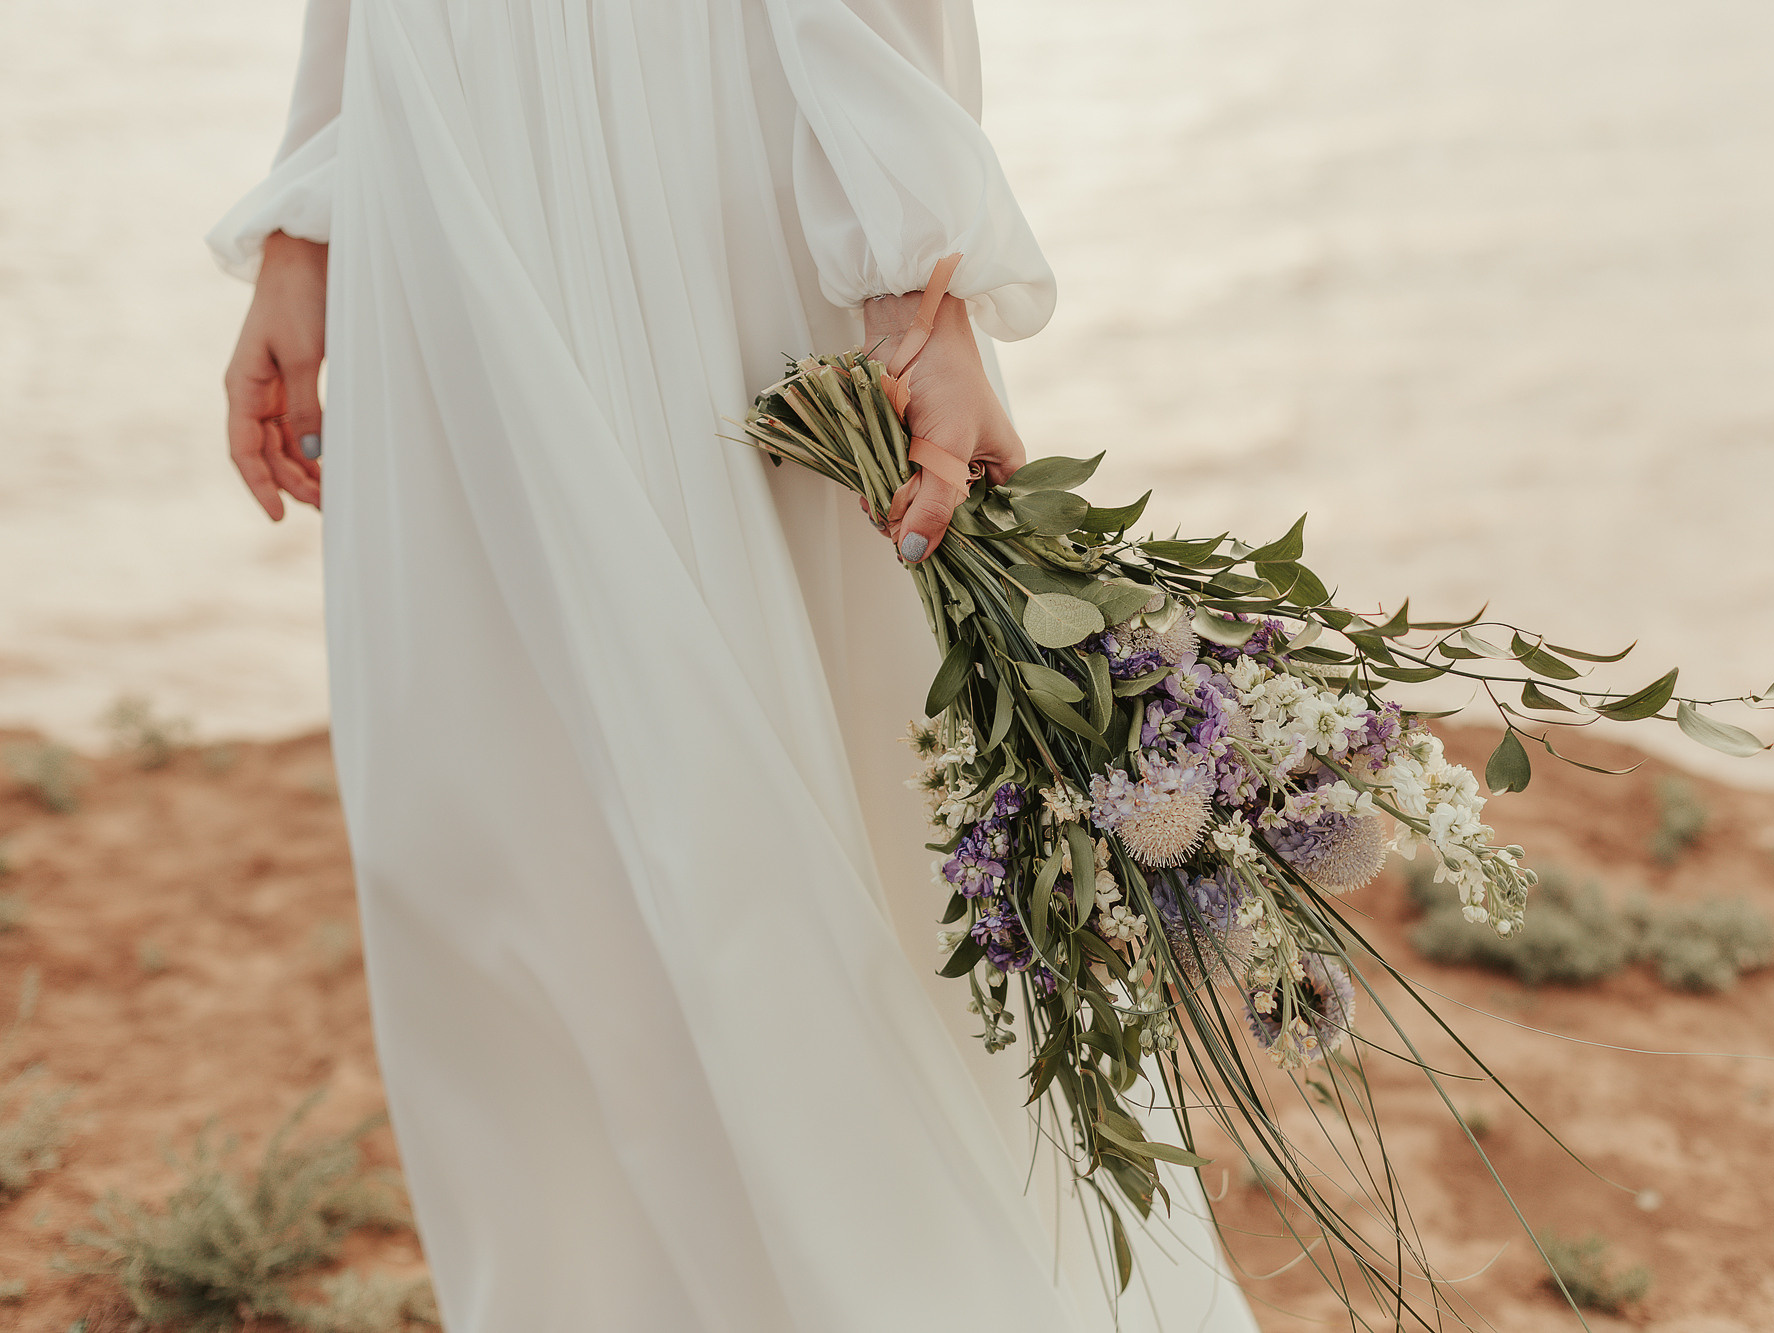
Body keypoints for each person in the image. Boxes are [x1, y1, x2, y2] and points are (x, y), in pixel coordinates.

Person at [213, 1, 1261, 1328]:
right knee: (491, 842)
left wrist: (910, 281)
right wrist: (313, 204)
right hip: (442, 138)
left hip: (679, 147)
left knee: (783, 834)